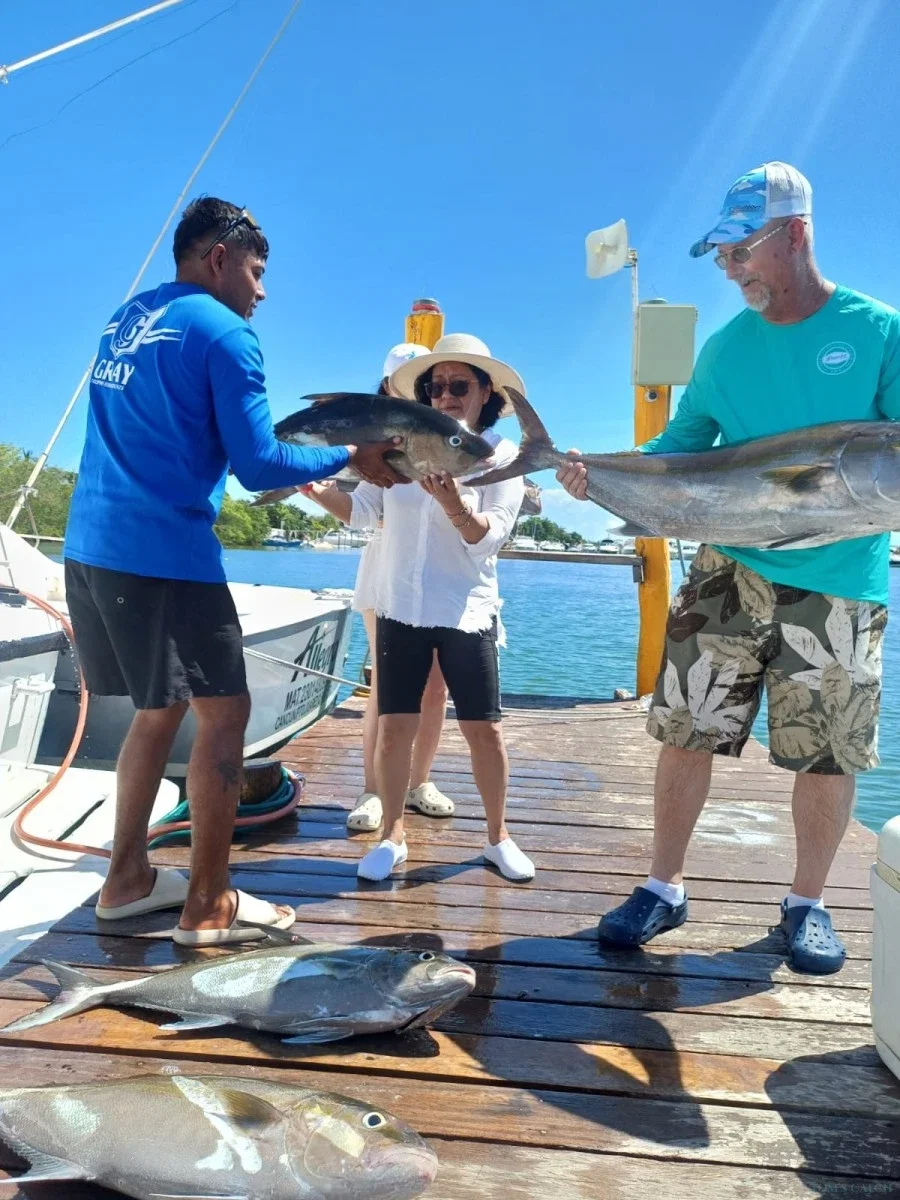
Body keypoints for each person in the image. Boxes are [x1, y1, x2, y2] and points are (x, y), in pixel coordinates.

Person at [557, 162, 900, 974]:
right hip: (726, 569)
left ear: (796, 233)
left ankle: (807, 903)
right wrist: (599, 474)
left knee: (829, 752)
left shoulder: (880, 331)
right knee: (686, 731)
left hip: (841, 581)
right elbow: (680, 447)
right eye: (722, 255)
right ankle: (663, 887)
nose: (729, 268)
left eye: (741, 250)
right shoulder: (724, 349)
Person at [63, 197, 405, 946]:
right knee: (225, 717)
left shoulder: (125, 319)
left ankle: (126, 880)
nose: (262, 291)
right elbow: (258, 464)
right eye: (256, 271)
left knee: (157, 711)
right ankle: (209, 905)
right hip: (165, 556)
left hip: (90, 550)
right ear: (219, 258)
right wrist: (352, 456)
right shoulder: (226, 332)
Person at [309, 333, 535, 883]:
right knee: (394, 727)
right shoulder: (399, 445)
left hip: (465, 611)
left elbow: (488, 539)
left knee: (485, 730)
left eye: (460, 385)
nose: (446, 396)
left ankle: (498, 838)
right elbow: (364, 510)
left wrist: (454, 504)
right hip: (400, 606)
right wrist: (312, 492)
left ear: (486, 391)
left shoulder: (501, 457)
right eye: (436, 387)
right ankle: (392, 836)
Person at [343, 343, 456, 832]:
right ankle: (372, 788)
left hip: (444, 575)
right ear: (387, 387)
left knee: (436, 686)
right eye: (400, 382)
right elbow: (360, 505)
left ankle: (419, 781)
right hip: (386, 569)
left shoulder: (446, 434)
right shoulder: (373, 439)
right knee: (387, 685)